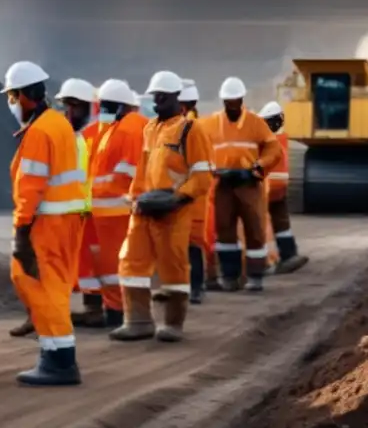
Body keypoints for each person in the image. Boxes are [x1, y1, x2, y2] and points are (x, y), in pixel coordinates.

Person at [112, 71, 214, 343]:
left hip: (174, 210)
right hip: (145, 208)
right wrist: (135, 200)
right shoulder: (150, 129)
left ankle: (173, 322)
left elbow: (202, 175)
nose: (156, 103)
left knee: (173, 265)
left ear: (175, 98)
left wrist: (178, 198)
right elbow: (142, 170)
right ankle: (137, 320)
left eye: (161, 97)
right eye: (154, 97)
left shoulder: (191, 130)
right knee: (131, 261)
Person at [3, 61, 86, 385]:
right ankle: (53, 354)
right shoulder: (59, 124)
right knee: (56, 288)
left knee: (39, 284)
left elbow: (31, 186)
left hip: (47, 223)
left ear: (24, 95)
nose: (11, 103)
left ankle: (60, 362)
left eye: (11, 96)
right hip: (66, 220)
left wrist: (21, 232)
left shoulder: (39, 131)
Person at [200, 77, 282, 292]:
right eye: (228, 101)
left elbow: (273, 150)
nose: (231, 105)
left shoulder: (256, 123)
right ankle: (229, 276)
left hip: (248, 183)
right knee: (224, 231)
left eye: (235, 100)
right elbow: (196, 146)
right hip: (223, 184)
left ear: (241, 99)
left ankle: (255, 277)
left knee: (254, 229)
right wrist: (211, 169)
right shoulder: (210, 124)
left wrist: (258, 168)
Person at [86, 79, 146, 329]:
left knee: (115, 266)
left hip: (117, 210)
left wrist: (95, 190)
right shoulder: (113, 129)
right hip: (107, 210)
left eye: (109, 106)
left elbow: (126, 174)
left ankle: (120, 313)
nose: (103, 111)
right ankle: (115, 311)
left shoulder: (129, 129)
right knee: (110, 266)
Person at [54, 78, 105, 328]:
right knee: (82, 262)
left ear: (91, 107)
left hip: (96, 210)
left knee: (98, 261)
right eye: (67, 106)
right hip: (77, 210)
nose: (70, 112)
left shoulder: (99, 134)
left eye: (76, 106)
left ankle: (104, 308)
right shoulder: (70, 135)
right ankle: (90, 308)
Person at [258, 101, 309, 274]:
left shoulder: (264, 138)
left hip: (266, 187)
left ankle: (262, 261)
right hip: (280, 187)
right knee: (282, 224)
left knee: (258, 225)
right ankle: (289, 255)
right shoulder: (282, 137)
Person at [179, 79, 209, 304]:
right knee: (182, 243)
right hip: (183, 191)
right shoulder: (182, 124)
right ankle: (188, 287)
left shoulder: (193, 127)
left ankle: (196, 287)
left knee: (191, 242)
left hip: (192, 194)